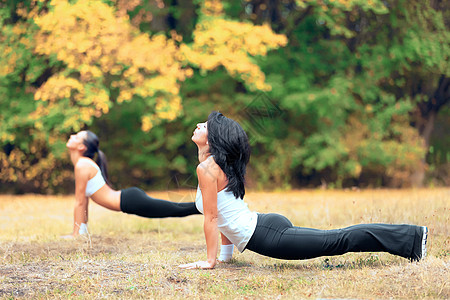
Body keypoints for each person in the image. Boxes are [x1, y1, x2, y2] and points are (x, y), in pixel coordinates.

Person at [179, 111, 428, 269]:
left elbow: (212, 218)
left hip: (268, 235)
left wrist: (211, 261)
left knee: (337, 240)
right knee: (335, 239)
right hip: (264, 226)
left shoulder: (209, 170)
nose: (199, 124)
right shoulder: (210, 167)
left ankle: (413, 239)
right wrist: (225, 256)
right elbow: (223, 216)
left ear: (214, 140)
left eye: (205, 125)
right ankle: (410, 239)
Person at [65, 130, 200, 237]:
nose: (71, 136)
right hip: (128, 199)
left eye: (76, 137)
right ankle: (205, 207)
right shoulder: (84, 164)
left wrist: (76, 234)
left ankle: (206, 207)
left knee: (175, 209)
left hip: (129, 200)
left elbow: (80, 202)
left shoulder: (82, 165)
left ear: (82, 147)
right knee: (175, 209)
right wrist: (81, 232)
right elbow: (83, 202)